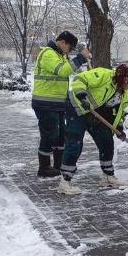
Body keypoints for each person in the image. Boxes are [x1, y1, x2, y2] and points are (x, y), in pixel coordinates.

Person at [56, 64, 128, 195]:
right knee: (75, 143)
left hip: (94, 115)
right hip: (77, 107)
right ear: (126, 79)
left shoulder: (124, 96)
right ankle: (65, 181)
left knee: (106, 141)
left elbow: (118, 113)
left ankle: (108, 176)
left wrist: (118, 128)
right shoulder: (104, 75)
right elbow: (80, 79)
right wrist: (81, 95)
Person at [32, 31, 92, 177]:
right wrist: (80, 58)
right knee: (49, 135)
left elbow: (68, 70)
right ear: (63, 42)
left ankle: (59, 165)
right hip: (45, 103)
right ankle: (44, 167)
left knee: (60, 136)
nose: (70, 51)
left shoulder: (60, 55)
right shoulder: (48, 54)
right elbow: (64, 71)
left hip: (57, 103)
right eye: (70, 48)